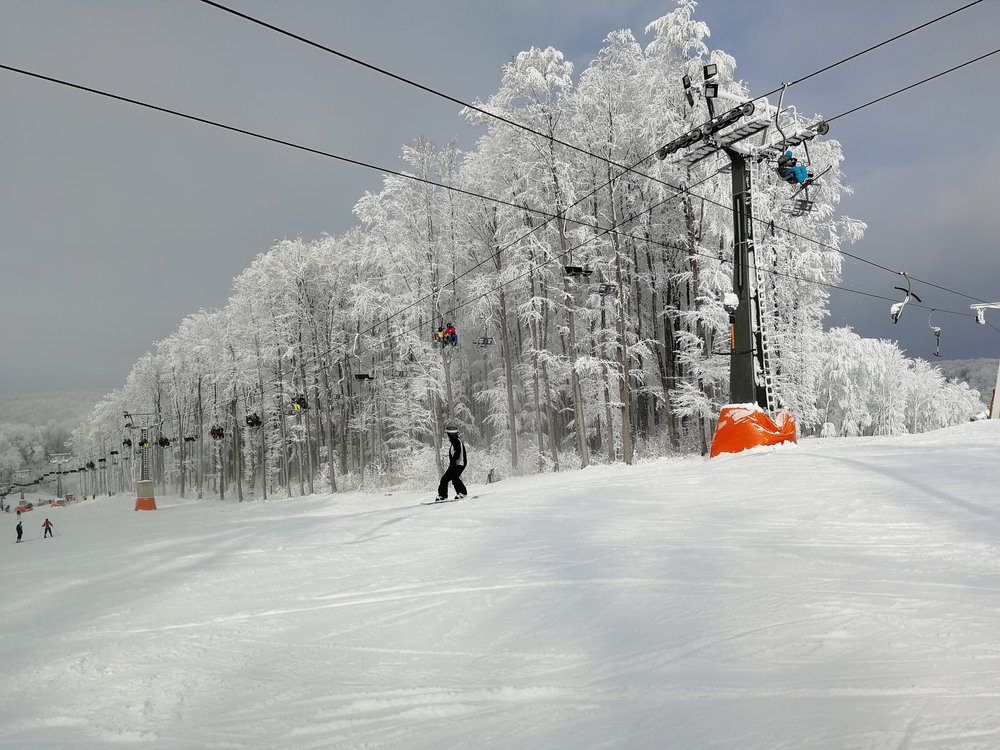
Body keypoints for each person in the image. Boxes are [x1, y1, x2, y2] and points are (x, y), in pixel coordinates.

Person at [436, 426, 468, 501]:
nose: (447, 436)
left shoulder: (456, 441)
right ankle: (442, 496)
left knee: (454, 477)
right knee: (444, 479)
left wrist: (452, 464)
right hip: (455, 464)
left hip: (460, 463)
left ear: (451, 434)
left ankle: (462, 493)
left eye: (447, 434)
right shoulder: (454, 441)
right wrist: (452, 464)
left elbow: (457, 453)